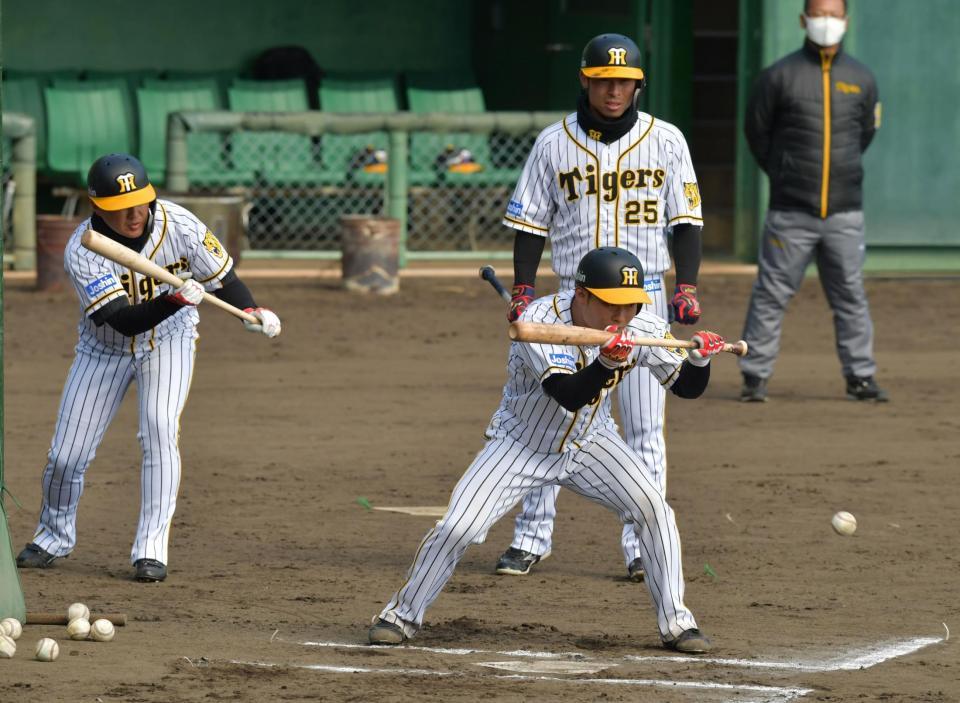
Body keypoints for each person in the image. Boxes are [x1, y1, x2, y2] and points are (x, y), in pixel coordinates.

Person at [368, 247, 723, 654]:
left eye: (630, 306)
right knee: (458, 527)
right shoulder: (540, 320)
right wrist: (606, 364)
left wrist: (698, 361)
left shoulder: (641, 323)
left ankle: (678, 624)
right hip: (519, 445)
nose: (622, 317)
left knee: (654, 509)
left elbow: (686, 389)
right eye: (612, 305)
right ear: (582, 295)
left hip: (592, 442)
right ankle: (399, 616)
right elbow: (566, 394)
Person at [15, 153, 282, 582]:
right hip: (104, 349)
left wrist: (250, 311)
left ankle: (151, 548)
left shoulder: (181, 224)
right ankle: (53, 536)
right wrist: (174, 298)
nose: (135, 214)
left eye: (141, 202)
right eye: (122, 208)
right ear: (98, 206)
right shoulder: (84, 250)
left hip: (169, 342)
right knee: (67, 456)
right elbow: (122, 320)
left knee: (159, 428)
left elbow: (225, 281)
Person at [496, 33, 705, 580]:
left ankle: (642, 546)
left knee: (643, 427)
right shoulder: (552, 144)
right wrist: (523, 288)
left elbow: (685, 221)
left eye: (625, 82)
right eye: (605, 80)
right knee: (550, 421)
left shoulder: (667, 141)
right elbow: (530, 224)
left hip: (644, 302)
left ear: (638, 85)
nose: (615, 91)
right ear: (585, 80)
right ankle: (531, 538)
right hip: (572, 300)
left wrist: (688, 285)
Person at [739, 0, 887, 403]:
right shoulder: (778, 76)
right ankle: (755, 376)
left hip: (845, 213)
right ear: (804, 20)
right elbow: (757, 133)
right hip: (790, 212)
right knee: (770, 294)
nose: (827, 22)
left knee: (851, 296)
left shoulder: (861, 78)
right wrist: (785, 173)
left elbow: (865, 134)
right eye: (819, 14)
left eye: (834, 15)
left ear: (845, 21)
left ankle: (861, 377)